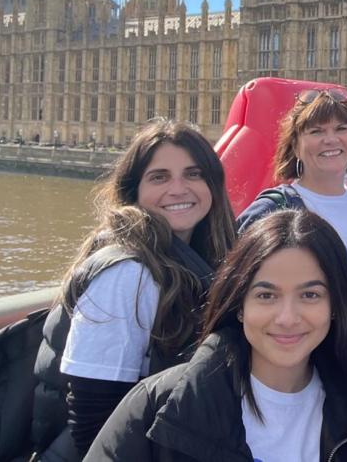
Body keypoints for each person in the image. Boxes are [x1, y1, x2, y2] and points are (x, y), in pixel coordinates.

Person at [87, 210, 347, 461]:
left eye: (310, 295)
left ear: (335, 305)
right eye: (266, 295)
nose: (287, 318)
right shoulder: (158, 406)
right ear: (239, 306)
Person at [31, 120, 237, 460]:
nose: (178, 188)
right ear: (134, 190)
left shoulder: (194, 260)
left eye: (193, 174)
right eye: (159, 177)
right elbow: (92, 421)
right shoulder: (127, 273)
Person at [236, 88, 347, 354]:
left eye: (341, 129)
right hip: (309, 378)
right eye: (316, 131)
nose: (330, 140)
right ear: (295, 145)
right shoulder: (278, 209)